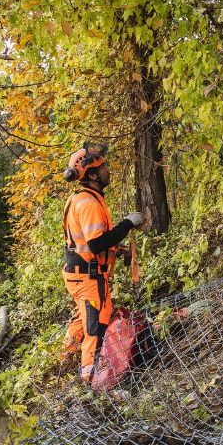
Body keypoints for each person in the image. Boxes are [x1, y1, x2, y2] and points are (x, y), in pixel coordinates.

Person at [60, 143, 146, 382]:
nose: (108, 170)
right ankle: (92, 378)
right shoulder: (88, 203)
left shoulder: (83, 198)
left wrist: (116, 249)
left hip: (79, 272)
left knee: (82, 318)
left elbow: (84, 243)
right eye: (103, 167)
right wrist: (127, 224)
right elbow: (96, 243)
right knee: (96, 326)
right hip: (88, 277)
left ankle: (65, 359)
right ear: (93, 174)